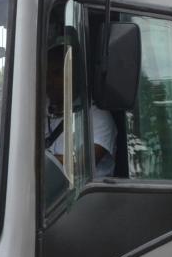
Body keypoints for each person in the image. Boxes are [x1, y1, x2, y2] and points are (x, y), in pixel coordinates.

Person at [44, 32, 117, 179]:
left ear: (74, 74)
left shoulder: (97, 118)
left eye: (57, 73)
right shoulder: (39, 113)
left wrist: (31, 160)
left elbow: (78, 165)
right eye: (46, 74)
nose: (50, 81)